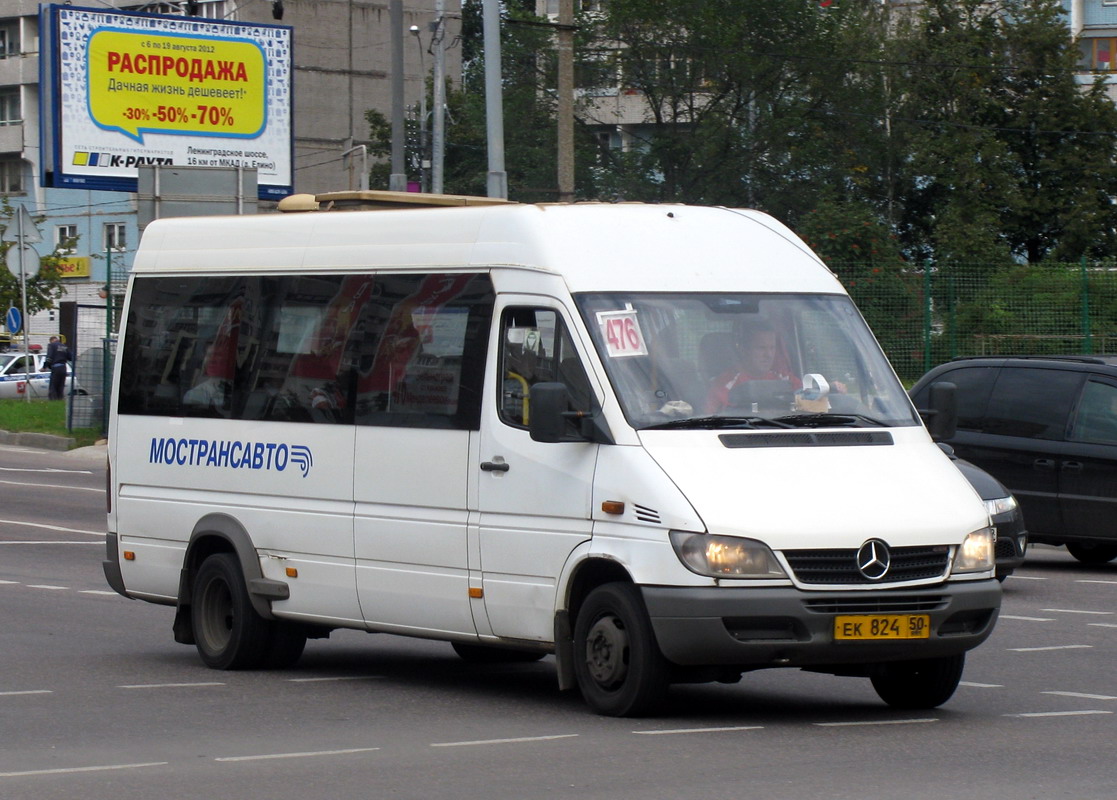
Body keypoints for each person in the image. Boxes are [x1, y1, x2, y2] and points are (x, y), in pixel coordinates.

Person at [705, 322, 801, 414]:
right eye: (761, 348)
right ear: (743, 350)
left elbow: (808, 406)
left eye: (772, 348)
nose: (769, 355)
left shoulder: (786, 380)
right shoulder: (724, 386)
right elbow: (711, 423)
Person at [45, 335, 72, 400]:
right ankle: (60, 399)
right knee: (61, 386)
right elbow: (70, 357)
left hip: (56, 368)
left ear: (51, 341)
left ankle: (53, 400)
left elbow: (49, 357)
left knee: (53, 386)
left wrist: (45, 366)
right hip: (63, 367)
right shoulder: (64, 346)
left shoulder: (52, 345)